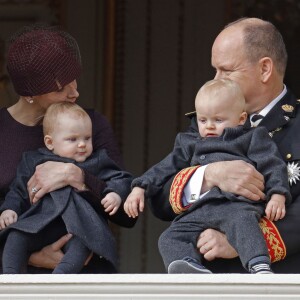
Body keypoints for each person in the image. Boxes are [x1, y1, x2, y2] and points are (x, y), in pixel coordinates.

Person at [147, 17, 300, 273]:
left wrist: (242, 240)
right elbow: (159, 198)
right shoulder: (206, 125)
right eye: (215, 69)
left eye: (226, 70)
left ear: (264, 69)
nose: (215, 79)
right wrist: (209, 175)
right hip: (210, 283)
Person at [0, 23, 136, 273]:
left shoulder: (90, 124)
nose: (75, 92)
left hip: (85, 274)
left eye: (74, 80)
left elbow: (127, 213)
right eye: (61, 87)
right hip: (14, 276)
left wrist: (79, 177)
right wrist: (31, 257)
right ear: (29, 92)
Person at [125, 78, 291, 274]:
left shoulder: (252, 137)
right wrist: (140, 187)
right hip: (198, 210)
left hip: (235, 205)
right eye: (203, 120)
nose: (209, 126)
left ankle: (259, 265)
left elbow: (272, 164)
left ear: (241, 119)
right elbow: (164, 167)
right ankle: (188, 266)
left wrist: (278, 194)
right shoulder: (189, 142)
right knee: (169, 237)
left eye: (218, 120)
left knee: (244, 224)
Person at [0, 102, 133, 274]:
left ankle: (59, 282)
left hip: (80, 225)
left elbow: (120, 179)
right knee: (15, 237)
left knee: (83, 245)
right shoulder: (33, 160)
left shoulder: (97, 160)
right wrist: (9, 209)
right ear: (50, 142)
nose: (82, 145)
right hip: (41, 223)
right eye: (73, 139)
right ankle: (11, 284)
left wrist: (114, 194)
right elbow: (18, 190)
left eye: (87, 138)